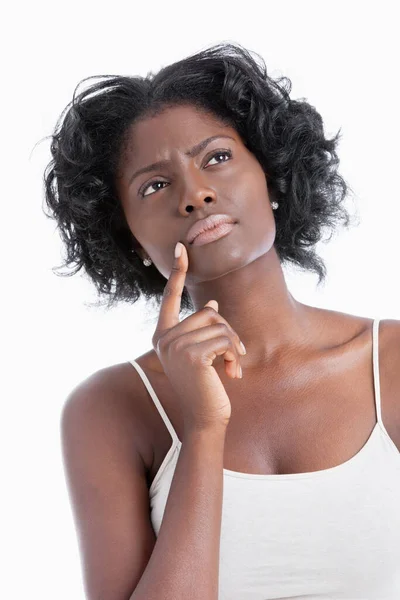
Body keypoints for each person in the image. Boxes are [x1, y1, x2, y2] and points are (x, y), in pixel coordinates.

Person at [43, 42, 400, 600]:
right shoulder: (111, 408)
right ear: (129, 238)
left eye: (215, 157)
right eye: (154, 186)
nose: (195, 195)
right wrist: (204, 431)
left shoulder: (392, 363)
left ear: (273, 176)